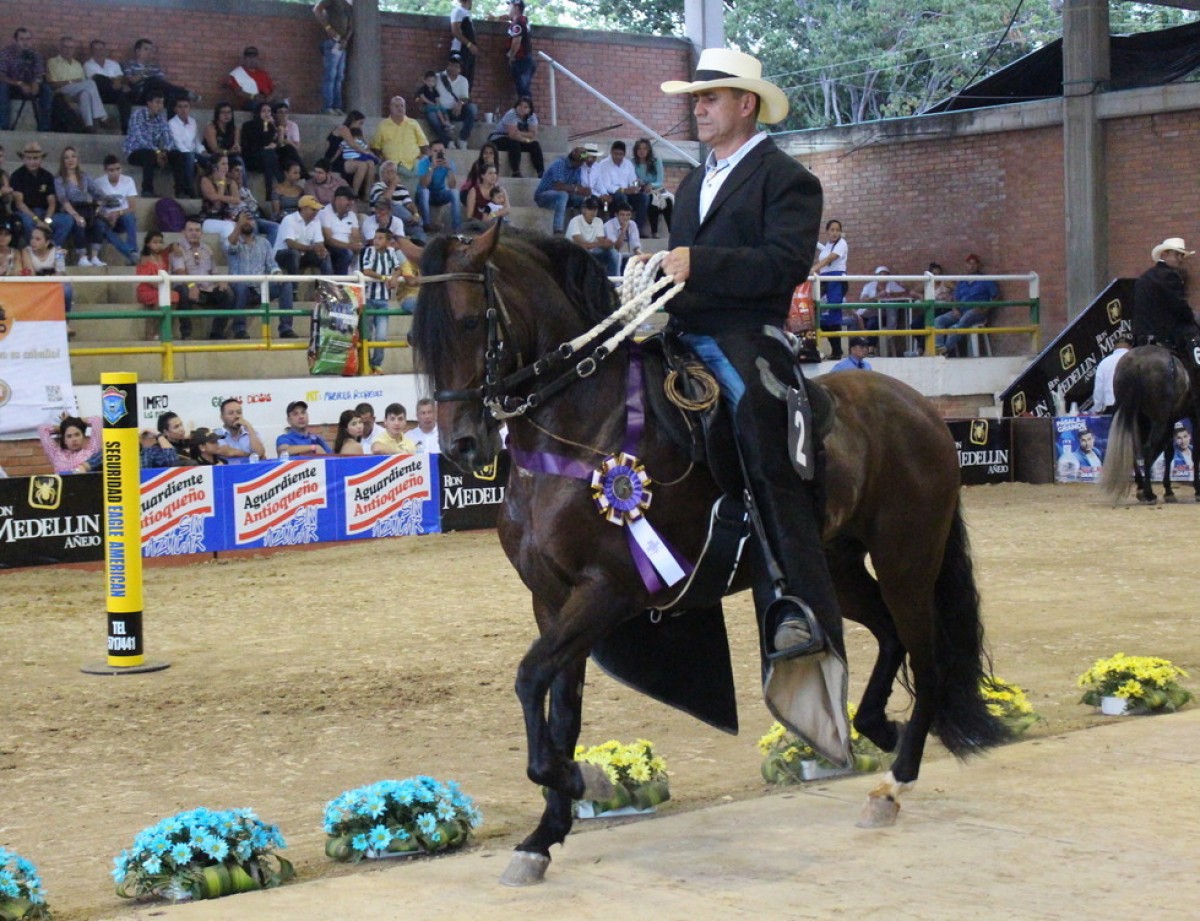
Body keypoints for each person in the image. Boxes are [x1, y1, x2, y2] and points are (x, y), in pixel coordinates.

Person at [660, 47, 836, 660]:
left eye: (709, 99)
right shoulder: (692, 183)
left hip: (744, 336)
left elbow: (784, 264)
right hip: (681, 331)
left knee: (763, 428)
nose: (699, 110)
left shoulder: (788, 179)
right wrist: (659, 271)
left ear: (745, 104)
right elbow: (685, 264)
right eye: (697, 101)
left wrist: (699, 262)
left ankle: (795, 601)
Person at [224, 210, 296, 338]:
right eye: (244, 219)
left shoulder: (264, 243)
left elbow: (272, 265)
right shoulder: (232, 241)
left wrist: (278, 273)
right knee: (240, 286)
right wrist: (239, 226)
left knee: (285, 283)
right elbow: (231, 246)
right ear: (237, 223)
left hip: (261, 288)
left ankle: (286, 328)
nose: (247, 222)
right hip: (241, 288)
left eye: (250, 219)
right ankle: (239, 329)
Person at [1132, 237, 1199, 372]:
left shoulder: (1143, 278)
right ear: (1164, 254)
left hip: (1141, 340)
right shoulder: (1170, 276)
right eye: (1177, 254)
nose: (1180, 259)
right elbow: (1180, 309)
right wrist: (1192, 318)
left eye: (1182, 255)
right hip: (1165, 338)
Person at [169, 215, 236, 340]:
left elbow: (214, 271)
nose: (194, 233)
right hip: (187, 286)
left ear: (201, 233)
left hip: (206, 288)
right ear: (184, 232)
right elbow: (180, 271)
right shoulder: (178, 248)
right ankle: (186, 333)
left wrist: (221, 281)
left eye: (197, 230)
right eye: (190, 230)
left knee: (227, 293)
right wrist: (191, 285)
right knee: (183, 290)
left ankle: (217, 333)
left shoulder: (206, 249)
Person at [124, 91, 191, 197]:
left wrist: (166, 152)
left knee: (177, 155)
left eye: (162, 103)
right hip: (135, 152)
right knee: (149, 154)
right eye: (157, 102)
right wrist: (158, 152)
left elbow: (168, 138)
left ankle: (180, 191)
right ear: (149, 103)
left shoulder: (161, 118)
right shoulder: (138, 115)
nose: (160, 106)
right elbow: (140, 139)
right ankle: (147, 190)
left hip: (155, 152)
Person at [935, 253, 1000, 357]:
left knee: (964, 320)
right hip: (961, 310)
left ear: (978, 265)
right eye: (969, 264)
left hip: (976, 311)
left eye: (974, 264)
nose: (972, 266)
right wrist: (955, 309)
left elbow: (996, 296)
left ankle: (945, 349)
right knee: (939, 321)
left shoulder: (986, 280)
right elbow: (955, 297)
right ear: (966, 265)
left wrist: (985, 309)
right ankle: (938, 347)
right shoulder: (962, 281)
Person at [10, 142, 72, 249]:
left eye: (35, 158)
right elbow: (19, 204)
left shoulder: (47, 176)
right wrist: (37, 221)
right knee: (27, 222)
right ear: (23, 159)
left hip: (45, 213)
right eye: (29, 158)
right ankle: (34, 249)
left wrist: (46, 221)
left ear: (41, 159)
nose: (32, 162)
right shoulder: (16, 176)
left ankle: (52, 248)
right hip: (26, 213)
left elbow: (52, 203)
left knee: (66, 220)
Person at [360, 226, 403, 374]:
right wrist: (384, 278)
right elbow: (366, 271)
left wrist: (395, 278)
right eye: (375, 238)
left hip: (383, 300)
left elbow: (398, 268)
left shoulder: (391, 252)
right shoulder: (369, 251)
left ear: (388, 241)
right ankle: (365, 363)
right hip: (368, 299)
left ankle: (376, 364)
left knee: (381, 336)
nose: (376, 241)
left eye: (380, 238)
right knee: (366, 334)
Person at [54, 147, 105, 267]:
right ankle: (82, 257)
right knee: (79, 223)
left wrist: (99, 205)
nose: (70, 160)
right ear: (62, 161)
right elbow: (63, 199)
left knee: (99, 224)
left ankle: (95, 257)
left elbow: (98, 192)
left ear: (77, 159)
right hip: (70, 209)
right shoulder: (59, 178)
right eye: (66, 157)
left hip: (85, 207)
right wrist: (76, 215)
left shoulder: (84, 176)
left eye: (73, 156)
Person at [240, 101, 300, 201]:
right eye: (264, 111)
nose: (267, 114)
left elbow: (272, 142)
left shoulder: (270, 126)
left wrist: (272, 139)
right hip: (252, 158)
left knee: (270, 155)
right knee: (269, 154)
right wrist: (265, 147)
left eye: (269, 111)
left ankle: (269, 191)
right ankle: (282, 182)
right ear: (258, 112)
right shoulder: (248, 126)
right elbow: (249, 145)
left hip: (266, 159)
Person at [46, 36, 108, 132]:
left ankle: (89, 126)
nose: (68, 50)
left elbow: (83, 83)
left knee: (85, 94)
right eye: (65, 47)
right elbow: (52, 84)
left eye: (71, 48)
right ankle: (101, 116)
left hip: (76, 91)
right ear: (60, 48)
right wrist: (72, 81)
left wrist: (76, 83)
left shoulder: (77, 64)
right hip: (61, 90)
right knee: (90, 83)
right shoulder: (52, 62)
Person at [0, 28, 53, 132]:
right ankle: (4, 126)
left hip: (31, 86)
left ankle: (45, 127)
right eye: (22, 39)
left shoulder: (35, 55)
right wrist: (19, 83)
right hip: (13, 86)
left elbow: (39, 73)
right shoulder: (6, 53)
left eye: (28, 39)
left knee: (47, 89)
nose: (25, 42)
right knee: (3, 88)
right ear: (15, 40)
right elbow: (1, 75)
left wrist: (36, 82)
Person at [135, 231, 185, 340]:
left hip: (161, 288)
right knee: (162, 297)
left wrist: (175, 247)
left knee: (175, 295)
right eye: (155, 242)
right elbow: (146, 278)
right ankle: (153, 332)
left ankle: (165, 328)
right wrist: (162, 288)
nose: (158, 245)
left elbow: (172, 246)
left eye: (160, 242)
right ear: (148, 244)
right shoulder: (145, 258)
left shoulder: (163, 255)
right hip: (146, 289)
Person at [122, 38, 194, 109]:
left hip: (155, 94)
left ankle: (181, 98)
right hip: (139, 94)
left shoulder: (154, 66)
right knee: (152, 80)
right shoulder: (129, 64)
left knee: (170, 95)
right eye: (146, 49)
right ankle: (185, 93)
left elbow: (163, 83)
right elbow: (131, 81)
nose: (149, 52)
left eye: (150, 50)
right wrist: (144, 73)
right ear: (138, 51)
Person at [25, 226, 74, 328]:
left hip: (53, 283)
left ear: (47, 242)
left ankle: (65, 324)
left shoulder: (58, 252)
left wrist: (50, 277)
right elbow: (31, 274)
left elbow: (60, 272)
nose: (33, 241)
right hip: (34, 284)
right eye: (32, 238)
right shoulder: (26, 251)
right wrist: (49, 276)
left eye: (38, 239)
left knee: (67, 290)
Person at [814, 218, 849, 359]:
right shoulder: (827, 246)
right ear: (827, 232)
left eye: (837, 230)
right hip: (824, 281)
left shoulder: (842, 243)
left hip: (836, 279)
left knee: (833, 312)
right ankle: (834, 349)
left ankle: (837, 351)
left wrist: (814, 268)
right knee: (821, 314)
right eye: (832, 230)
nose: (835, 233)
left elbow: (830, 259)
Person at [534, 146, 589, 235]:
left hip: (562, 196)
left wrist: (583, 191)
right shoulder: (559, 163)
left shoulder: (578, 169)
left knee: (581, 199)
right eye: (581, 160)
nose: (582, 163)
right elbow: (558, 186)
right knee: (562, 195)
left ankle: (580, 230)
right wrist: (576, 189)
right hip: (543, 196)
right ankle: (558, 230)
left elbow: (577, 186)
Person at [370, 96, 427, 182]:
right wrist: (383, 160)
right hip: (393, 167)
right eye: (396, 106)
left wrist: (422, 159)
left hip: (413, 166)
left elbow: (424, 144)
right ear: (390, 108)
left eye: (402, 106)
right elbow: (376, 147)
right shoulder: (383, 125)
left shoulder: (413, 123)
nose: (400, 108)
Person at [274, 194, 332, 278]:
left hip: (303, 254)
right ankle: (294, 285)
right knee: (294, 253)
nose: (316, 212)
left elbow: (319, 242)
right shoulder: (289, 219)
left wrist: (321, 249)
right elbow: (290, 244)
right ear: (303, 208)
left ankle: (328, 283)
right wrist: (312, 248)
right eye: (313, 209)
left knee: (325, 254)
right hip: (283, 254)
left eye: (317, 210)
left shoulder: (316, 221)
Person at [590, 140, 647, 226]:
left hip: (627, 193)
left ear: (624, 154)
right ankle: (618, 226)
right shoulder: (604, 164)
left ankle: (637, 228)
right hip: (611, 195)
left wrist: (637, 185)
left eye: (620, 154)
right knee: (621, 197)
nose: (618, 156)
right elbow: (607, 186)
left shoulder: (628, 164)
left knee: (643, 198)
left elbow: (633, 181)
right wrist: (623, 190)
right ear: (611, 152)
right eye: (615, 154)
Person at [324, 110, 378, 200]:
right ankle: (354, 193)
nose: (361, 126)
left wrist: (363, 137)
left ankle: (367, 193)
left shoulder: (356, 132)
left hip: (350, 159)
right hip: (335, 160)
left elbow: (365, 146)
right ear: (353, 120)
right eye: (360, 123)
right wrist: (367, 153)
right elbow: (353, 145)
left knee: (371, 163)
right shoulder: (343, 128)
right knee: (362, 165)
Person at [313, 0, 353, 116]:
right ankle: (327, 107)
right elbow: (317, 10)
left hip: (342, 43)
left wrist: (346, 39)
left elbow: (351, 25)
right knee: (330, 75)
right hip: (332, 41)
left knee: (339, 77)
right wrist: (328, 28)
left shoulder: (347, 5)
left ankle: (337, 107)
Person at [84, 39, 133, 132]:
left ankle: (126, 128)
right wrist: (114, 82)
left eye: (101, 49)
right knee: (99, 78)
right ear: (91, 51)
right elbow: (95, 78)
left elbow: (121, 77)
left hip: (114, 92)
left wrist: (117, 83)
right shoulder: (88, 64)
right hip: (99, 94)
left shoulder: (113, 64)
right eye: (96, 49)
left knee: (124, 98)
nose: (99, 51)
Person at [488, 96, 542, 178]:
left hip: (517, 139)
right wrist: (527, 140)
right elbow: (513, 135)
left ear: (529, 110)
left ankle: (541, 173)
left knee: (535, 145)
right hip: (498, 138)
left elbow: (533, 133)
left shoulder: (532, 116)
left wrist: (520, 133)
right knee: (514, 143)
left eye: (525, 107)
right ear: (516, 106)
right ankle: (516, 172)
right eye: (520, 105)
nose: (522, 108)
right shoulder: (511, 114)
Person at [369, 160, 422, 238]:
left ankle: (419, 243)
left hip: (403, 222)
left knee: (418, 229)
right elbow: (383, 202)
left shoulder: (401, 188)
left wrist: (415, 214)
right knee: (393, 206)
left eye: (393, 172)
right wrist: (393, 183)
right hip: (383, 220)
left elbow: (409, 204)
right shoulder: (377, 186)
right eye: (388, 172)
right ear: (382, 175)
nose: (391, 174)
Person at [415, 142, 461, 232]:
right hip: (423, 195)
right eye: (435, 151)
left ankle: (456, 228)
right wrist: (431, 168)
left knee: (455, 192)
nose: (438, 153)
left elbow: (452, 186)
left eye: (441, 151)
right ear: (430, 152)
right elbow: (424, 185)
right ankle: (426, 224)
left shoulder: (449, 163)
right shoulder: (423, 163)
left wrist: (449, 169)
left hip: (439, 194)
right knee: (425, 191)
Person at [567, 195, 618, 277]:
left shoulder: (599, 221)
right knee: (583, 253)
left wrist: (608, 243)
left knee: (614, 253)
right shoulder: (575, 221)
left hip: (592, 253)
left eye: (595, 209)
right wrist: (600, 244)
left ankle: (613, 281)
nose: (593, 212)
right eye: (590, 209)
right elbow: (580, 245)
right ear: (584, 210)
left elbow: (601, 240)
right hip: (575, 254)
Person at [632, 137, 672, 238]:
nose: (642, 151)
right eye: (639, 149)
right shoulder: (633, 162)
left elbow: (660, 181)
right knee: (651, 200)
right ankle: (654, 231)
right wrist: (638, 184)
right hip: (641, 190)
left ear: (649, 150)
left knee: (667, 200)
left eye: (645, 148)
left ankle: (672, 231)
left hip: (656, 188)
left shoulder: (656, 161)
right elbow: (632, 180)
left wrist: (651, 185)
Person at [436, 54, 476, 150]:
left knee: (472, 108)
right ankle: (447, 141)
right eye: (451, 65)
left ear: (460, 69)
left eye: (456, 66)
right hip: (440, 111)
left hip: (455, 111)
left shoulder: (463, 80)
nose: (453, 68)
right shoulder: (437, 77)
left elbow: (465, 98)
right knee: (431, 114)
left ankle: (462, 139)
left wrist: (460, 103)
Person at [320, 186, 364, 274]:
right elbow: (328, 239)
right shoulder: (324, 213)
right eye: (348, 199)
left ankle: (361, 280)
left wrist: (357, 246)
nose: (351, 203)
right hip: (331, 247)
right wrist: (349, 246)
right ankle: (341, 281)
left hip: (348, 246)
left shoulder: (352, 215)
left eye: (353, 200)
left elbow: (356, 236)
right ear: (337, 199)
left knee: (365, 251)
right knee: (345, 253)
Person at [167, 98, 204, 195]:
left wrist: (202, 151)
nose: (183, 110)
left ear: (189, 108)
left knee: (210, 160)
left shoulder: (193, 122)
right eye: (180, 107)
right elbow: (178, 144)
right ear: (175, 109)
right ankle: (189, 189)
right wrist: (194, 159)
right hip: (178, 153)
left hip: (192, 153)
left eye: (186, 107)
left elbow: (196, 141)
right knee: (189, 157)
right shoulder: (172, 123)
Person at [213, 398, 267, 463]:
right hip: (227, 469)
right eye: (231, 413)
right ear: (222, 417)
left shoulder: (251, 432)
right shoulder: (216, 434)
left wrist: (249, 426)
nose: (236, 416)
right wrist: (251, 455)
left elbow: (260, 453)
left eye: (239, 412)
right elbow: (228, 452)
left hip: (250, 469)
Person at [1090, 334, 1133, 414]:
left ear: (1114, 347)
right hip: (1133, 407)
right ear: (1130, 347)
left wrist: (1098, 409)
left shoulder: (1104, 363)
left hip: (1112, 408)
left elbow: (1098, 390)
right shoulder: (1136, 360)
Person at [226, 46, 276, 111]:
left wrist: (270, 97)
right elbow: (238, 92)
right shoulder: (236, 73)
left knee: (280, 106)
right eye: (249, 57)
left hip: (266, 101)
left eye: (254, 57)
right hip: (250, 102)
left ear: (257, 59)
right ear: (244, 59)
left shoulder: (263, 73)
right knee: (258, 106)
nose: (252, 60)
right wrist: (253, 97)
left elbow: (274, 89)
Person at [504, 0, 535, 101]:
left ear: (516, 7)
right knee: (522, 90)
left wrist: (511, 56)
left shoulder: (518, 22)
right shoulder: (521, 21)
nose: (508, 8)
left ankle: (527, 111)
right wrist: (495, 18)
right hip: (525, 60)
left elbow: (517, 41)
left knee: (523, 91)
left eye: (510, 5)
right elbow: (507, 17)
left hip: (522, 61)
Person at [203, 102, 244, 172]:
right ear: (217, 114)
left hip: (229, 155)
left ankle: (241, 179)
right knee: (222, 162)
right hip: (213, 156)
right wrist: (228, 152)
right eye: (223, 112)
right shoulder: (211, 127)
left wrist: (237, 148)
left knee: (238, 161)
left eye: (229, 112)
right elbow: (214, 149)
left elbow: (236, 144)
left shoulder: (235, 129)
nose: (226, 115)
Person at [417, 70, 453, 148]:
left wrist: (438, 104)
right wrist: (430, 102)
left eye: (433, 81)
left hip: (434, 106)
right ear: (424, 81)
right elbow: (421, 97)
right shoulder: (423, 88)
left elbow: (437, 99)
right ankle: (444, 124)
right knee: (437, 112)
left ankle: (447, 122)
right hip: (428, 106)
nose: (431, 83)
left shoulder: (435, 90)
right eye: (429, 81)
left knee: (443, 110)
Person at [603, 200, 641, 273]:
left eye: (628, 215)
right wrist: (624, 230)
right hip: (605, 253)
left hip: (617, 253)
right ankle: (616, 280)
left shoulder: (632, 224)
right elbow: (615, 248)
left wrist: (641, 256)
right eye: (622, 215)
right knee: (616, 256)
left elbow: (635, 246)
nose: (625, 217)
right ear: (616, 215)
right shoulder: (609, 225)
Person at [449, 0, 479, 86]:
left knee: (467, 81)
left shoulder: (467, 14)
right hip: (460, 50)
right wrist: (469, 45)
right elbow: (455, 31)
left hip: (468, 52)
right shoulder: (458, 11)